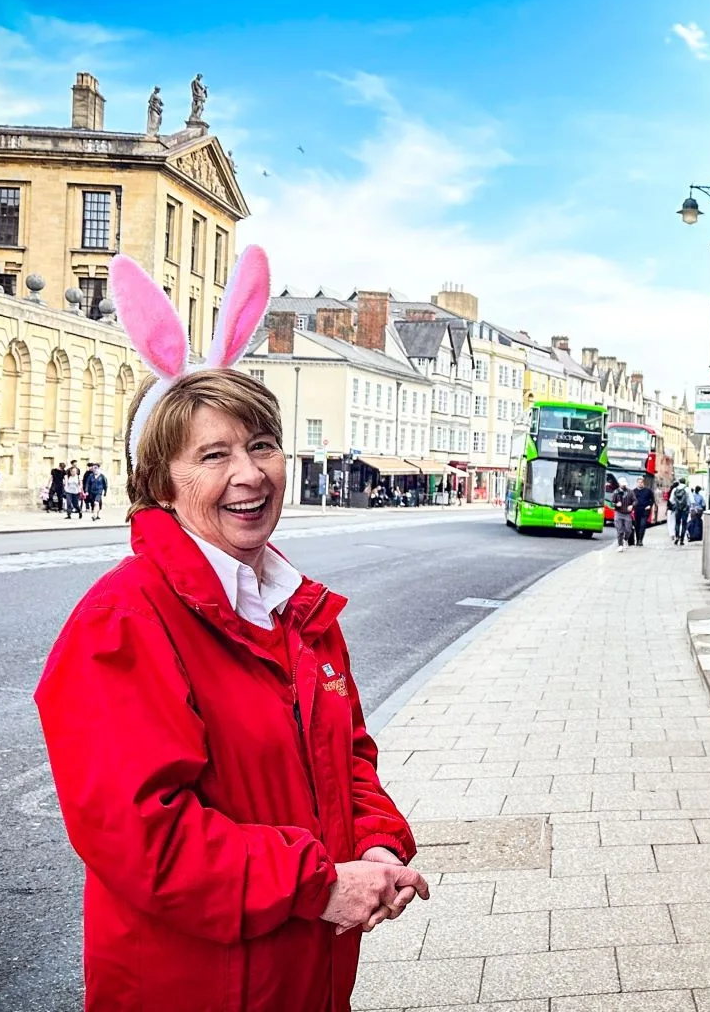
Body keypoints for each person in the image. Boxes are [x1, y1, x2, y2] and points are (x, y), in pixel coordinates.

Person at [35, 362, 426, 1005]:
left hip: (305, 974)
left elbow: (348, 756)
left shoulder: (298, 610)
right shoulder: (124, 620)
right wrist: (320, 886)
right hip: (193, 983)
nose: (249, 475)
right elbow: (145, 837)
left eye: (261, 446)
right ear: (160, 484)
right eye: (213, 455)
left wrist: (376, 842)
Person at [630, 475, 654, 547]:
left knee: (642, 525)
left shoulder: (648, 491)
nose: (640, 483)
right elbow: (631, 501)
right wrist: (632, 508)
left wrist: (650, 505)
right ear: (637, 483)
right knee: (637, 526)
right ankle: (637, 540)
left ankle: (640, 540)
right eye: (639, 482)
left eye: (641, 482)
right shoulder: (633, 491)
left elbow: (652, 500)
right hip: (636, 511)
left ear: (643, 483)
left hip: (645, 510)